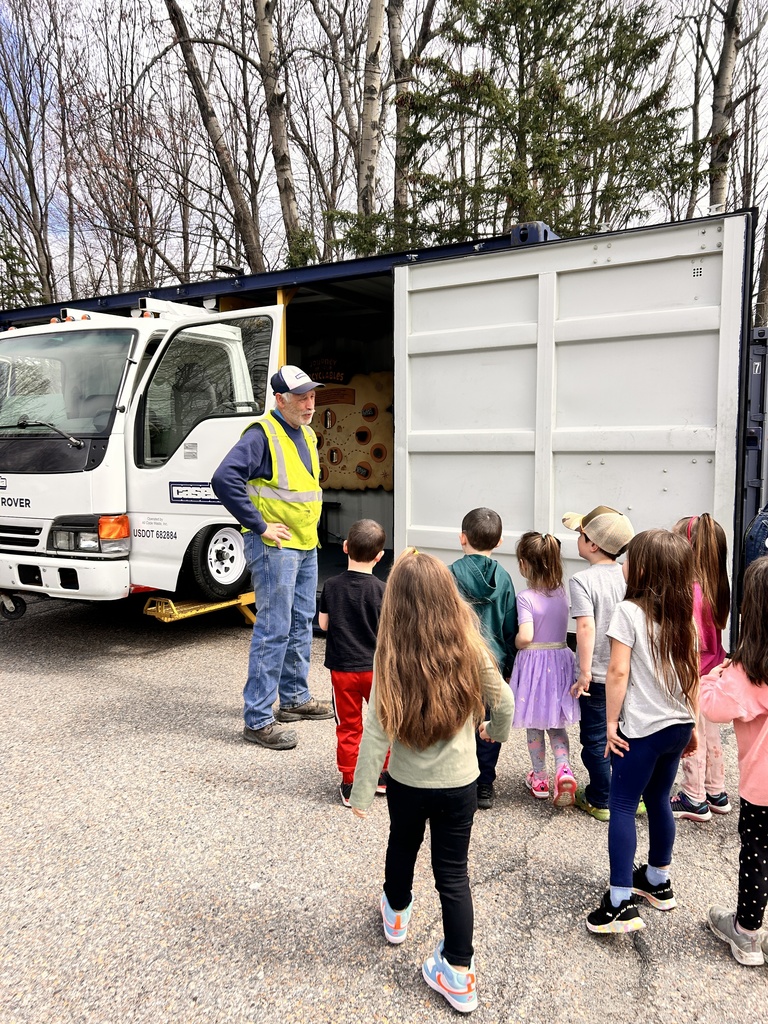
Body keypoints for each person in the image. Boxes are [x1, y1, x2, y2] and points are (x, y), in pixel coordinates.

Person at [350, 549, 514, 1014]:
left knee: (402, 845)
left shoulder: (390, 657)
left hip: (406, 782)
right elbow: (503, 702)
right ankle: (459, 971)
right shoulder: (470, 645)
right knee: (453, 872)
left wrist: (362, 792)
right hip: (461, 783)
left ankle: (397, 915)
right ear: (449, 595)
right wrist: (493, 732)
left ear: (395, 603)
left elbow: (375, 733)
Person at [211, 365, 333, 750]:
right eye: (301, 397)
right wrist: (259, 525)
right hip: (275, 547)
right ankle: (258, 719)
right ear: (280, 400)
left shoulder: (306, 434)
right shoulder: (261, 435)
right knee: (274, 628)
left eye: (312, 396)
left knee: (300, 622)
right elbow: (223, 479)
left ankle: (294, 700)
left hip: (304, 544)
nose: (309, 403)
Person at [586, 530, 699, 934]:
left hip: (643, 729)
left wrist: (611, 723)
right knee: (659, 798)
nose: (624, 564)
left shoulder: (628, 612)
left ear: (644, 569)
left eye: (629, 559)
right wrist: (694, 726)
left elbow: (617, 672)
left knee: (621, 804)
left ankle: (619, 901)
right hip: (678, 724)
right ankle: (657, 879)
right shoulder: (684, 615)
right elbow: (693, 673)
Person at [702, 556, 768, 966]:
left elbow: (712, 707)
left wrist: (715, 673)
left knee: (757, 853)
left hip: (762, 786)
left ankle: (745, 934)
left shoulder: (748, 672)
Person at [563, 505, 635, 822]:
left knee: (595, 739)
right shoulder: (629, 575)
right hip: (630, 673)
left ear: (592, 544)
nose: (578, 538)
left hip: (600, 676)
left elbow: (586, 627)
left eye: (580, 533)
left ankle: (601, 797)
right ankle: (632, 795)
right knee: (628, 734)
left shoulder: (582, 580)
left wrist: (584, 672)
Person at [449, 507, 517, 811]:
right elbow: (510, 626)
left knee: (455, 718)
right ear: (499, 542)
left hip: (457, 661)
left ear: (462, 538)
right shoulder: (503, 578)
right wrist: (509, 666)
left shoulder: (449, 574)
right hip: (492, 661)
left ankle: (456, 776)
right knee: (489, 722)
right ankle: (484, 784)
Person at [318, 519, 388, 807]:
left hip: (343, 670)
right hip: (376, 671)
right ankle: (382, 776)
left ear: (345, 547)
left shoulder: (331, 586)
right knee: (382, 723)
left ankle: (350, 783)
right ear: (379, 556)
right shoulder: (384, 590)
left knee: (349, 725)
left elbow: (323, 625)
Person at [510, 531, 579, 806]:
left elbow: (526, 636)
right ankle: (564, 769)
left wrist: (515, 641)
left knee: (535, 724)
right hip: (560, 660)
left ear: (524, 564)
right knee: (557, 722)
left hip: (535, 664)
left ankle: (539, 779)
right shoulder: (561, 593)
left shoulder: (525, 597)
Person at [670, 514, 731, 821]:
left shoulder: (690, 592)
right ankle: (715, 790)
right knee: (711, 735)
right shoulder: (717, 586)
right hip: (714, 672)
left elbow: (691, 645)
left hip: (694, 676)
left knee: (692, 735)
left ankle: (693, 797)